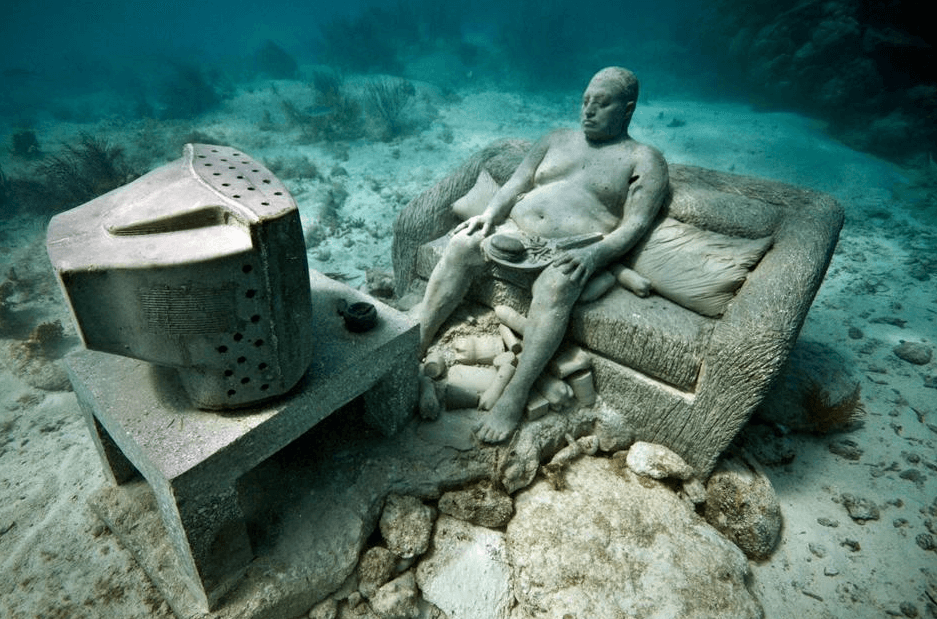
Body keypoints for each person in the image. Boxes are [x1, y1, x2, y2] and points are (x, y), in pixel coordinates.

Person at [419, 67, 669, 443]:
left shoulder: (644, 159)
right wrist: (488, 216)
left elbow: (634, 226)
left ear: (628, 109)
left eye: (602, 104)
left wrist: (597, 254)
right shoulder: (555, 138)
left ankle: (514, 395)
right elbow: (515, 184)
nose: (589, 111)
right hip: (514, 234)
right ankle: (417, 341)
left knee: (555, 286)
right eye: (586, 101)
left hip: (574, 250)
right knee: (460, 245)